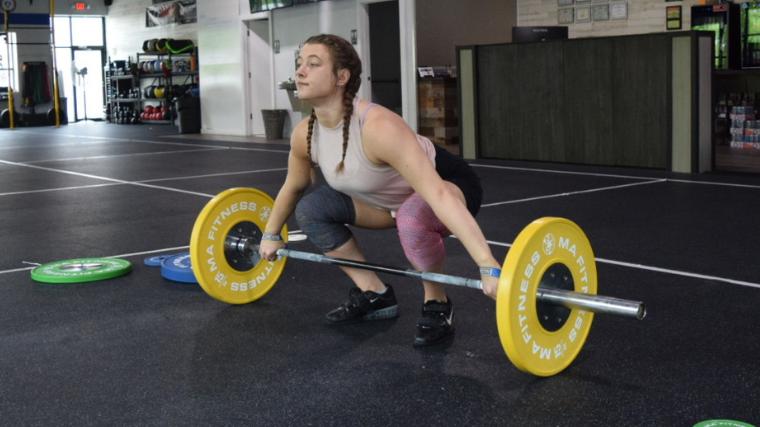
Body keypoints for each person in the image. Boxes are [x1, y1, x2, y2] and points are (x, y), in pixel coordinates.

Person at [259, 34, 501, 346]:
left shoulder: (377, 127)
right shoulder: (304, 134)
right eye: (299, 64)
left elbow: (437, 195)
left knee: (413, 215)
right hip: (384, 202)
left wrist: (487, 263)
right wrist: (271, 233)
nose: (300, 72)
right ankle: (374, 293)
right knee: (312, 209)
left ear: (341, 77)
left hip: (449, 186)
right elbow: (294, 187)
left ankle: (436, 302)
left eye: (313, 64)